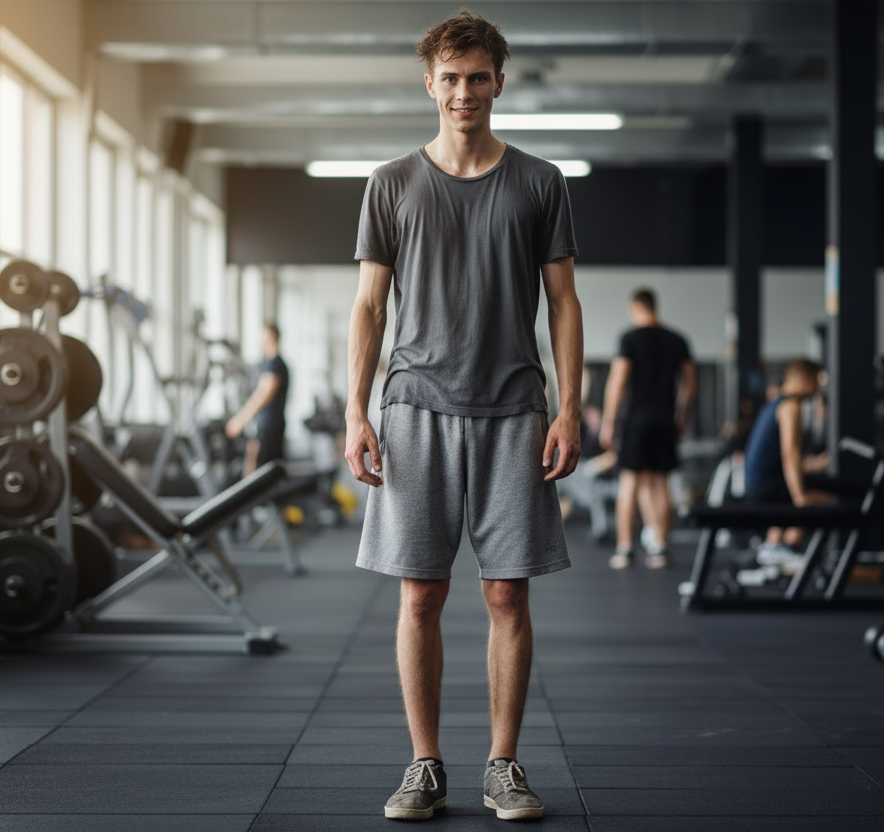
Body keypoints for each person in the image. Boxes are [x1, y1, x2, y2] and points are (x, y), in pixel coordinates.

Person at [344, 10, 583, 822]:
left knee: (508, 596)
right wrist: (356, 410)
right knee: (420, 596)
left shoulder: (540, 182)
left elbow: (564, 304)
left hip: (516, 409)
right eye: (450, 78)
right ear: (430, 85)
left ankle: (503, 766)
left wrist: (571, 407)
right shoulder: (391, 184)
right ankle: (424, 765)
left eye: (478, 77)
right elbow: (369, 308)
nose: (464, 91)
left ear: (498, 84)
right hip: (414, 409)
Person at [598, 288, 696, 569]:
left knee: (630, 481)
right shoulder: (676, 340)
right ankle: (660, 548)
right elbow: (690, 384)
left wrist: (609, 422)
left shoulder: (629, 338)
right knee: (660, 483)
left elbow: (617, 383)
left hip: (636, 420)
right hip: (665, 420)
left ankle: (625, 549)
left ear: (634, 308)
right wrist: (682, 417)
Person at [742, 358, 831, 567]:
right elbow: (789, 454)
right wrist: (801, 500)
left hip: (759, 484)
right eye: (817, 381)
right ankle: (786, 548)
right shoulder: (791, 405)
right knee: (826, 501)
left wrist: (813, 464)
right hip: (767, 487)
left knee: (805, 490)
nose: (819, 388)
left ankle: (773, 547)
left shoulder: (776, 402)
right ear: (804, 379)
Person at [225, 323, 290, 475]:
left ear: (272, 336)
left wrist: (240, 420)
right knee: (257, 470)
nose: (259, 339)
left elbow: (263, 395)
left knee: (265, 473)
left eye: (262, 335)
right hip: (265, 425)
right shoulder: (266, 363)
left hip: (270, 426)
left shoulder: (274, 364)